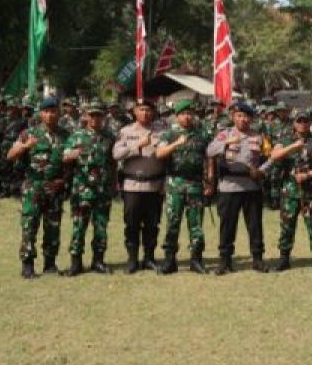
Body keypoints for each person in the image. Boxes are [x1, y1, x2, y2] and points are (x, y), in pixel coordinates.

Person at [7, 97, 69, 278]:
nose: (50, 115)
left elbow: (70, 165)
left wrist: (63, 181)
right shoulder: (29, 133)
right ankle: (27, 265)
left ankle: (50, 264)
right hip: (33, 188)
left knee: (53, 227)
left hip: (55, 189)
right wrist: (26, 146)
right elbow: (10, 155)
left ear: (58, 113)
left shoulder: (65, 135)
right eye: (47, 111)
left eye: (54, 111)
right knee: (30, 225)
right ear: (41, 113)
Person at [206, 102, 268, 274]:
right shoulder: (224, 134)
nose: (243, 119)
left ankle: (257, 259)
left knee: (255, 226)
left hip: (251, 188)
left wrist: (262, 171)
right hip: (229, 188)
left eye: (247, 116)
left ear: (251, 118)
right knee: (227, 226)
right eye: (239, 116)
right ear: (233, 117)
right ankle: (225, 261)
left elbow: (269, 158)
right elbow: (210, 151)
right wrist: (226, 143)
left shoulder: (259, 137)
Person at [268, 109, 312, 272]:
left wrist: (308, 175)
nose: (302, 124)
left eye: (305, 121)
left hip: (311, 190)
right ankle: (284, 258)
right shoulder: (285, 140)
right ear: (294, 123)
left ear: (309, 123)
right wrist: (293, 147)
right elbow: (274, 156)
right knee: (287, 225)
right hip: (289, 190)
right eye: (299, 121)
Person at [155, 99, 212, 275]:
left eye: (190, 113)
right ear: (177, 115)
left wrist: (210, 179)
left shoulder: (201, 133)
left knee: (196, 224)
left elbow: (209, 156)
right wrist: (177, 143)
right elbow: (159, 153)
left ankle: (196, 259)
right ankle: (169, 260)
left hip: (195, 183)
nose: (188, 117)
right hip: (175, 183)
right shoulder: (168, 134)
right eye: (184, 113)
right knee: (173, 222)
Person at [112, 97, 166, 273]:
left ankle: (149, 258)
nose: (145, 113)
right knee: (132, 224)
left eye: (148, 110)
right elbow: (117, 154)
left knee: (152, 224)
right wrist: (137, 145)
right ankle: (132, 259)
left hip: (154, 185)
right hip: (132, 186)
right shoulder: (126, 131)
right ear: (134, 112)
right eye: (141, 109)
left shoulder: (162, 131)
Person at [62, 103, 116, 276]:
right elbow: (64, 157)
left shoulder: (109, 137)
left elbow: (113, 163)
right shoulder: (76, 136)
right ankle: (76, 262)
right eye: (92, 115)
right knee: (79, 226)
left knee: (101, 226)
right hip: (82, 189)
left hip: (103, 190)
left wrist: (114, 184)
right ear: (86, 116)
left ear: (103, 117)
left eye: (98, 115)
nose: (95, 119)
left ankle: (98, 261)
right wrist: (74, 154)